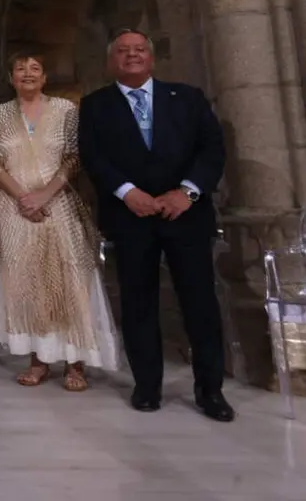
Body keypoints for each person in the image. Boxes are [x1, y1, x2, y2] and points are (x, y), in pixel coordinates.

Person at [78, 29, 232, 421]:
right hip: (131, 218)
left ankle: (210, 390)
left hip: (187, 216)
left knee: (199, 303)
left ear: (151, 57)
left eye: (139, 49)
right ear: (113, 60)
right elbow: (93, 157)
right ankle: (147, 386)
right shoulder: (96, 105)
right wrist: (127, 192)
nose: (132, 56)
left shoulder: (187, 98)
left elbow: (212, 149)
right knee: (138, 304)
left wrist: (188, 192)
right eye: (124, 51)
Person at [0, 52, 119, 392]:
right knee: (28, 285)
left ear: (44, 77)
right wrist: (22, 198)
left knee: (70, 281)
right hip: (14, 211)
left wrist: (44, 194)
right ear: (11, 77)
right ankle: (38, 360)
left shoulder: (65, 111)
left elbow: (75, 157)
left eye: (35, 69)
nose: (27, 74)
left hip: (59, 205)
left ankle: (76, 362)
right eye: (20, 69)